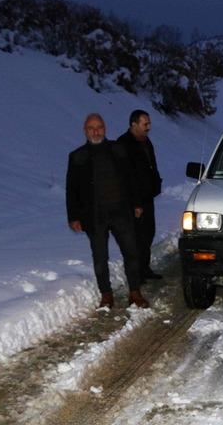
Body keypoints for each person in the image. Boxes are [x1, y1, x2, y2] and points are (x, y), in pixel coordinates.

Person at [66, 113, 149, 309]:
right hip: (95, 216)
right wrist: (74, 217)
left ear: (105, 128)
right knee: (100, 257)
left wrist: (137, 204)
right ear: (85, 131)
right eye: (91, 128)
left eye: (99, 127)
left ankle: (135, 292)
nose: (96, 131)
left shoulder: (118, 149)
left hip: (121, 211)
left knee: (131, 252)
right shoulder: (77, 156)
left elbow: (132, 178)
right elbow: (72, 189)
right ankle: (106, 295)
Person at [117, 110, 163, 283]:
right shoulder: (124, 144)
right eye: (145, 124)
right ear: (134, 124)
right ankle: (135, 273)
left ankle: (144, 268)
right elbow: (125, 177)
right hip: (133, 200)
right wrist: (135, 203)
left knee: (148, 233)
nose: (148, 127)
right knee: (135, 237)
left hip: (147, 196)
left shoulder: (145, 141)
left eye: (149, 123)